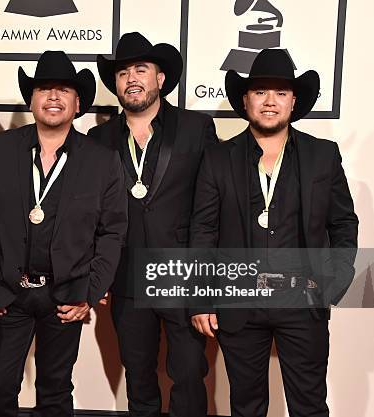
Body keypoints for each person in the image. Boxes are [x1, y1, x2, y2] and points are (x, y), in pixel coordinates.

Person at [190, 48, 359, 417]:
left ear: (294, 101)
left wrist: (333, 281)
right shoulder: (218, 158)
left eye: (281, 93)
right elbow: (203, 230)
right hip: (238, 301)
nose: (270, 102)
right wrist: (201, 298)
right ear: (246, 100)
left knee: (309, 404)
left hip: (303, 301)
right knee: (246, 406)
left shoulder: (322, 155)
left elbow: (344, 223)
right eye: (260, 92)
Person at [0, 50, 128, 417]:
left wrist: (90, 293)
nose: (53, 97)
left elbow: (112, 231)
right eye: (44, 89)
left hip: (66, 296)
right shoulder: (1, 149)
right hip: (9, 294)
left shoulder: (101, 159)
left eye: (63, 90)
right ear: (31, 99)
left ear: (78, 103)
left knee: (55, 388)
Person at [88, 32, 218, 417]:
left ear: (160, 79)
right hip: (126, 279)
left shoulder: (197, 129)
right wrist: (101, 272)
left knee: (190, 374)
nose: (131, 78)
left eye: (141, 69)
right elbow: (94, 213)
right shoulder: (99, 139)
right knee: (139, 375)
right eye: (123, 72)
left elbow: (212, 207)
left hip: (183, 275)